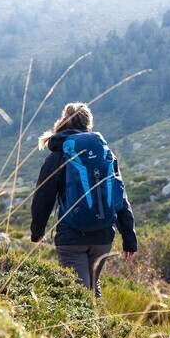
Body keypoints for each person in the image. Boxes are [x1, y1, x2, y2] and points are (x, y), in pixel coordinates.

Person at [31, 102, 137, 296]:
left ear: (64, 121)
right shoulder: (104, 154)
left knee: (78, 294)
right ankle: (101, 325)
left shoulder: (58, 155)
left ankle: (87, 326)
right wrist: (129, 239)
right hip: (103, 235)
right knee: (92, 288)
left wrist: (37, 231)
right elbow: (119, 196)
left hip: (71, 236)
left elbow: (43, 196)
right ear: (89, 123)